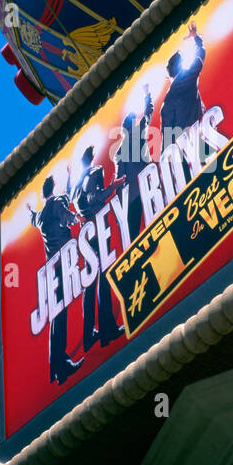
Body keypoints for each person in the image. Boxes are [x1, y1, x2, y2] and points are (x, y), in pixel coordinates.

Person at [28, 172, 80, 385]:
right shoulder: (57, 203)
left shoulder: (40, 215)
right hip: (64, 260)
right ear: (54, 187)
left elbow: (33, 218)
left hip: (52, 266)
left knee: (58, 314)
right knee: (61, 313)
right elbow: (66, 214)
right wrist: (75, 219)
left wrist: (30, 210)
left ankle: (56, 368)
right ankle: (61, 363)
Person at [71, 146, 125, 352]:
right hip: (97, 228)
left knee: (91, 284)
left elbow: (81, 204)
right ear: (91, 158)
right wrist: (113, 187)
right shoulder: (95, 172)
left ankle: (89, 335)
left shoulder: (74, 185)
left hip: (87, 232)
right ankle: (107, 330)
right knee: (102, 277)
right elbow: (95, 198)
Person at [114, 84, 155, 241]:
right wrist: (146, 93)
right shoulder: (138, 132)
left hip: (131, 196)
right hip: (146, 186)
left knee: (133, 236)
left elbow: (119, 179)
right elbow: (148, 113)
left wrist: (121, 205)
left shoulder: (119, 151)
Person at [159, 20, 205, 148]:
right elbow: (200, 55)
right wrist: (196, 38)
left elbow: (166, 142)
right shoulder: (189, 76)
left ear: (169, 76)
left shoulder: (167, 103)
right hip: (203, 138)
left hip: (186, 152)